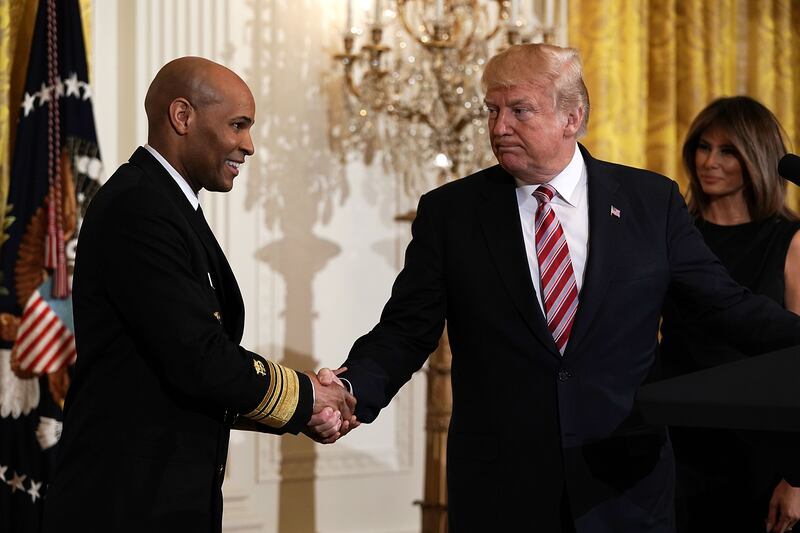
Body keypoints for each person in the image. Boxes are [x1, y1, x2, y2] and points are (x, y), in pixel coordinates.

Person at [313, 44, 800, 532]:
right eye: (492, 110)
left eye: (519, 111)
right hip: (502, 491)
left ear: (573, 117)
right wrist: (353, 389)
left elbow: (727, 306)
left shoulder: (651, 202)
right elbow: (405, 331)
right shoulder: (452, 213)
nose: (499, 127)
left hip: (626, 488)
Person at [41, 57, 354, 533]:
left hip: (162, 499)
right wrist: (309, 397)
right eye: (237, 125)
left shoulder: (167, 205)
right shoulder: (139, 208)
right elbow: (200, 359)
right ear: (182, 116)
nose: (248, 145)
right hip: (123, 504)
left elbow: (191, 379)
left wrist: (301, 410)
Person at [659, 96, 800, 533]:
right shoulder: (672, 234)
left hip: (760, 448)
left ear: (757, 158)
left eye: (728, 150)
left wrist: (797, 478)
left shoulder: (790, 241)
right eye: (703, 147)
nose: (710, 162)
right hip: (676, 437)